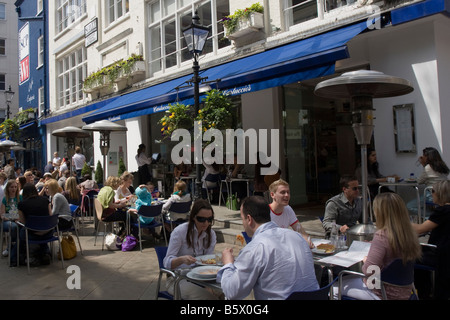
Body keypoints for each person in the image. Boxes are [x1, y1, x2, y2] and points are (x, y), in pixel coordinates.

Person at [218, 196, 319, 300]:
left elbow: (232, 293)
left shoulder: (255, 248)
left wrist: (228, 264)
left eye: (242, 219)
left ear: (249, 219)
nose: (243, 223)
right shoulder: (298, 237)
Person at [335, 193, 421, 300]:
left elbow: (369, 271)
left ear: (380, 213)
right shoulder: (409, 234)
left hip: (380, 291)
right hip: (405, 292)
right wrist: (374, 246)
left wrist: (366, 260)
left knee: (333, 288)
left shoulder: (382, 236)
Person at [163, 199, 220, 300]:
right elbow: (166, 263)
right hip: (177, 279)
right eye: (201, 219)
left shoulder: (211, 234)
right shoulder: (180, 232)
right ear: (193, 217)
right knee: (208, 297)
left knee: (229, 291)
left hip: (201, 278)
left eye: (209, 219)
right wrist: (182, 259)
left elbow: (209, 262)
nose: (206, 223)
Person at [411, 180, 450, 299]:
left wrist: (402, 222)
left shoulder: (443, 211)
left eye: (432, 191)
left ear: (440, 193)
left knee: (411, 257)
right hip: (445, 253)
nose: (431, 194)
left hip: (440, 255)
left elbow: (420, 229)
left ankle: (423, 293)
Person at [12, 183, 52, 267]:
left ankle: (14, 258)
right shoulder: (45, 200)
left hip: (32, 234)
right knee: (39, 228)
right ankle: (45, 252)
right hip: (48, 233)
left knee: (20, 232)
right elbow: (50, 216)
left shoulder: (22, 204)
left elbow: (23, 223)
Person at [268, 179, 313, 248]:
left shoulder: (288, 209)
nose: (286, 195)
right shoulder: (265, 212)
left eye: (288, 192)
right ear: (272, 195)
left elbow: (299, 230)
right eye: (283, 192)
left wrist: (307, 241)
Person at [407, 147, 449, 218]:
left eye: (424, 155)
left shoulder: (428, 167)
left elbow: (419, 181)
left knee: (411, 205)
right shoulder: (443, 165)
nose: (422, 157)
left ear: (427, 157)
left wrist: (423, 164)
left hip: (432, 194)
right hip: (445, 193)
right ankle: (437, 216)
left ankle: (433, 217)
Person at [0, 180, 21, 258]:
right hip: (7, 221)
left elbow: (22, 212)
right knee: (13, 226)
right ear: (8, 188)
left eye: (15, 187)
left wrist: (18, 217)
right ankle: (9, 248)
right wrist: (13, 217)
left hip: (18, 220)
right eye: (12, 187)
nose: (14, 189)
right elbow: (2, 215)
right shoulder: (5, 199)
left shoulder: (20, 198)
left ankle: (17, 248)